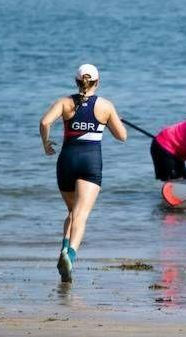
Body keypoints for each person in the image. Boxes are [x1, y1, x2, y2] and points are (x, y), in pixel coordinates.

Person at [39, 64, 127, 282]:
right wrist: (114, 120)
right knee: (81, 215)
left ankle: (63, 248)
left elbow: (44, 122)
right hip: (90, 162)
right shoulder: (105, 106)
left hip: (66, 161)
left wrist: (46, 144)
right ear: (98, 81)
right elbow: (122, 136)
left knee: (71, 212)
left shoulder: (64, 102)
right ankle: (70, 256)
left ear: (76, 81)